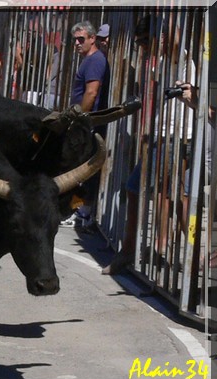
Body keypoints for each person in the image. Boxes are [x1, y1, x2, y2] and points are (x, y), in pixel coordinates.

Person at [102, 15, 201, 274]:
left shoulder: (181, 58)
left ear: (160, 38)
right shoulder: (165, 60)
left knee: (173, 197)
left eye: (145, 42)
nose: (143, 48)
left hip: (175, 137)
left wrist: (163, 23)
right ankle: (163, 248)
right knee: (158, 193)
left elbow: (175, 34)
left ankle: (189, 250)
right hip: (163, 136)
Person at [60, 21, 110, 229]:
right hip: (86, 122)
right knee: (81, 169)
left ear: (92, 38)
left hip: (88, 123)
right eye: (75, 40)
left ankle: (83, 212)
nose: (78, 43)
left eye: (82, 39)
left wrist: (80, 118)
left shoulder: (95, 61)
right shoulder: (89, 60)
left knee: (85, 170)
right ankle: (79, 210)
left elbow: (91, 92)